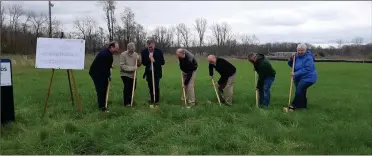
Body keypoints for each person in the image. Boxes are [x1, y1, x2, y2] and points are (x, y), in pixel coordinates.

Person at [89, 41, 119, 112]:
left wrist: (110, 67)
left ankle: (103, 103)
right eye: (116, 49)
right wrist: (109, 75)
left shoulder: (107, 53)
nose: (117, 50)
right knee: (101, 89)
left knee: (103, 88)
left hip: (99, 72)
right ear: (111, 47)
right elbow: (104, 68)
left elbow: (106, 65)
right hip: (97, 73)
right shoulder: (106, 55)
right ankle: (102, 107)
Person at [286, 43, 318, 111]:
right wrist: (291, 59)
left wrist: (295, 73)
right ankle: (303, 106)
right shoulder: (296, 56)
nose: (300, 52)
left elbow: (307, 69)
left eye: (302, 50)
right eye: (299, 50)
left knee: (299, 90)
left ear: (305, 50)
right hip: (298, 77)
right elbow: (290, 64)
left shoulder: (309, 57)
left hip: (309, 77)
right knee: (302, 91)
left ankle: (293, 106)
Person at [141, 38, 165, 108]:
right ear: (147, 46)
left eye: (151, 46)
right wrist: (149, 59)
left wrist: (154, 60)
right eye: (149, 47)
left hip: (157, 72)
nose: (150, 48)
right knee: (151, 86)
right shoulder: (144, 52)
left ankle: (157, 101)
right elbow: (144, 63)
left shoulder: (159, 51)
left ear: (154, 45)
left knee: (156, 86)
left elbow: (162, 62)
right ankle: (152, 100)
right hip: (149, 72)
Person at [120, 42, 141, 107]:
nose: (131, 52)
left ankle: (131, 100)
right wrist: (133, 68)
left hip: (133, 75)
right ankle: (126, 103)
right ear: (128, 49)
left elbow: (139, 65)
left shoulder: (136, 55)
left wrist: (139, 59)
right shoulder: (123, 54)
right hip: (125, 74)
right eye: (130, 51)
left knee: (133, 88)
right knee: (127, 87)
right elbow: (122, 66)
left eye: (133, 51)